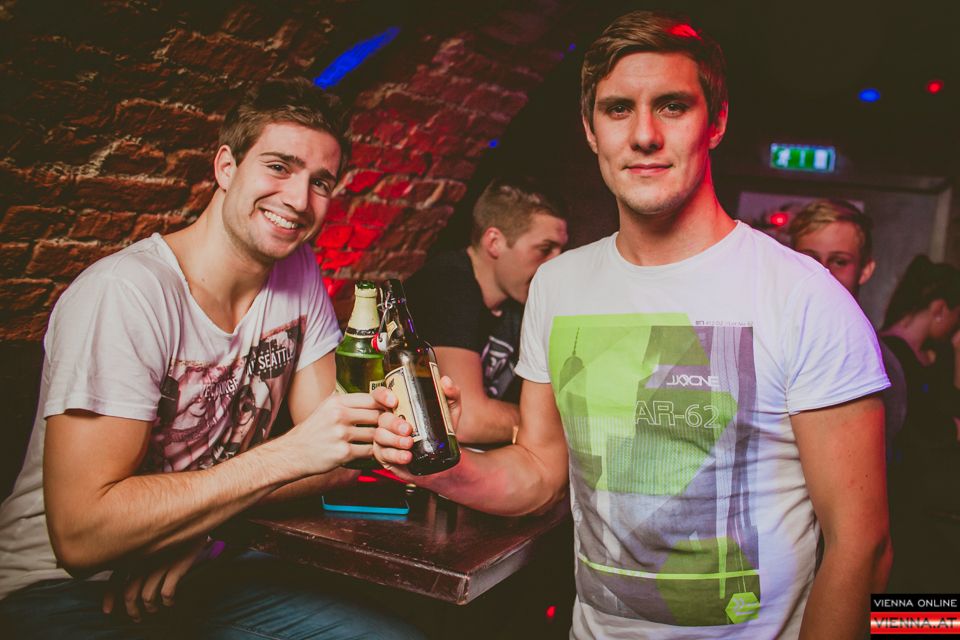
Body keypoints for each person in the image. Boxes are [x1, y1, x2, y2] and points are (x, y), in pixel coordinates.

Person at [374, 10, 891, 639]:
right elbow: (540, 472)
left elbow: (861, 545)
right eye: (618, 109)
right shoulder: (558, 286)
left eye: (672, 106)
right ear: (591, 130)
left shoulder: (803, 296)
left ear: (715, 122)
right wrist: (439, 465)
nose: (644, 134)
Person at [0, 78, 422, 639]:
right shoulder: (126, 293)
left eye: (320, 182)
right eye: (279, 167)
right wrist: (283, 458)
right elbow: (83, 536)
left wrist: (199, 524)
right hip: (63, 591)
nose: (299, 201)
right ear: (226, 167)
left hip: (205, 562)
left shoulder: (297, 272)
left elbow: (340, 456)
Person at [403, 176, 568, 444]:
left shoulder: (522, 303)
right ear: (494, 242)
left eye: (561, 251)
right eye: (545, 249)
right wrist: (557, 424)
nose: (556, 265)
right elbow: (468, 420)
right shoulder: (447, 282)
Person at [788, 199, 907, 458]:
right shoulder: (766, 340)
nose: (823, 272)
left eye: (840, 261)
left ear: (865, 270)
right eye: (809, 259)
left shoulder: (876, 359)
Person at [879, 256, 960, 591]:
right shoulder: (890, 356)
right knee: (906, 605)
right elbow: (929, 432)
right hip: (905, 510)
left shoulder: (930, 357)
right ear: (940, 309)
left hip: (925, 513)